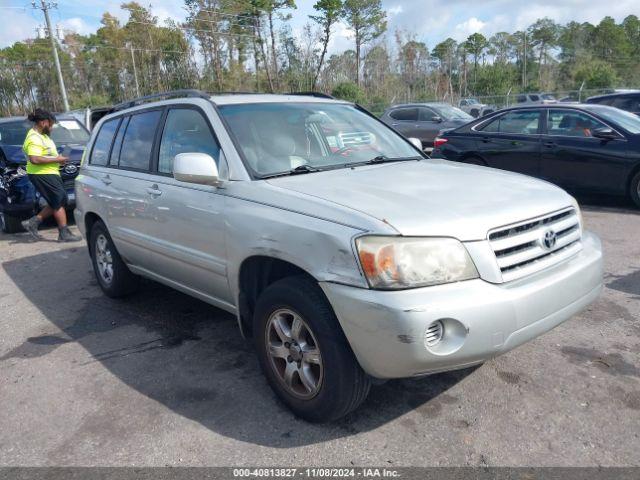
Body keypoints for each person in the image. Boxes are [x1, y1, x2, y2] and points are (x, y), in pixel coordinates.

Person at [20, 108, 81, 242]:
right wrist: (57, 160)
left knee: (60, 199)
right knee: (58, 199)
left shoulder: (44, 136)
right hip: (41, 174)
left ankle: (33, 222)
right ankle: (63, 233)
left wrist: (59, 160)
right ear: (43, 122)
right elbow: (34, 159)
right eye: (51, 124)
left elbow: (46, 155)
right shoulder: (34, 138)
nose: (52, 127)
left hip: (51, 172)